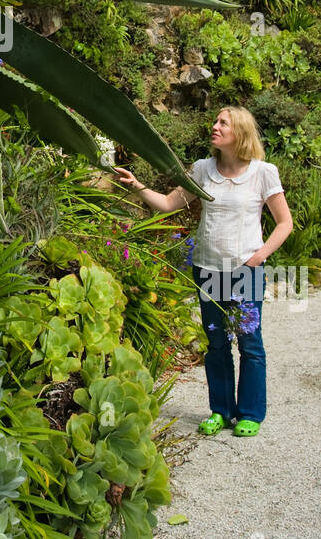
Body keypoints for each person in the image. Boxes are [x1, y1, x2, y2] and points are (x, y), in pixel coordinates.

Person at [111, 105, 293, 438]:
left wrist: (258, 257)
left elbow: (285, 224)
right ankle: (221, 411)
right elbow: (168, 204)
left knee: (250, 344)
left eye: (223, 122)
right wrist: (137, 185)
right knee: (217, 344)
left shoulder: (263, 172)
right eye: (216, 121)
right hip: (208, 270)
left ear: (239, 132)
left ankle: (250, 413)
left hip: (245, 271)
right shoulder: (201, 169)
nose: (215, 126)